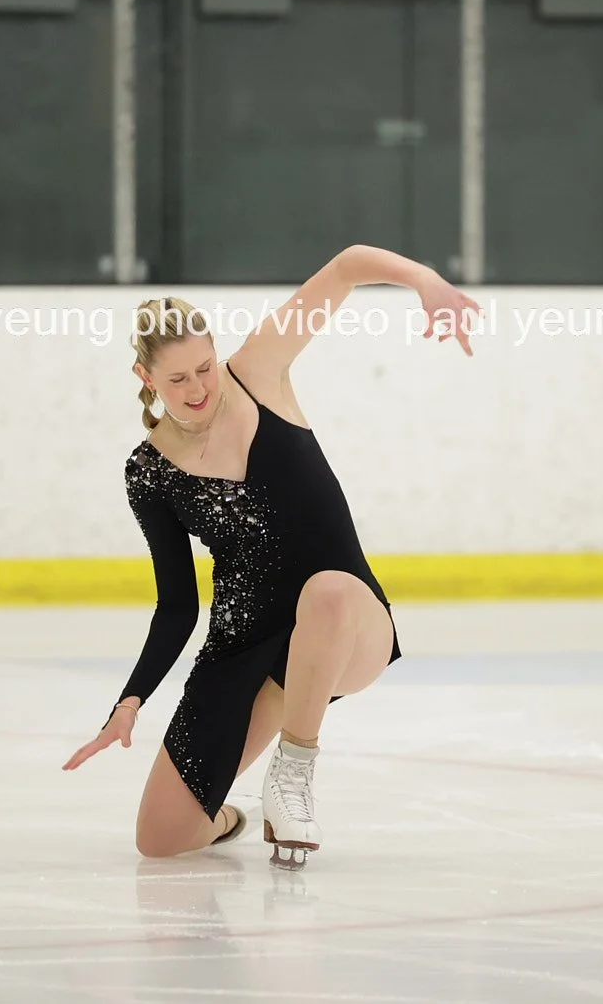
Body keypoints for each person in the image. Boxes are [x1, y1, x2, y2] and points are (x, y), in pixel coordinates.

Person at [63, 244, 479, 866]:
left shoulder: (258, 372)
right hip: (244, 645)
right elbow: (177, 605)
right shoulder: (148, 472)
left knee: (327, 591)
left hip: (346, 623)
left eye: (204, 368)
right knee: (162, 839)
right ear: (146, 379)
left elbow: (347, 266)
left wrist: (427, 281)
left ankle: (293, 774)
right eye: (177, 380)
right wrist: (129, 702)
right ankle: (231, 816)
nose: (198, 388)